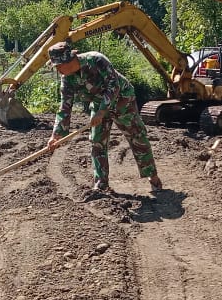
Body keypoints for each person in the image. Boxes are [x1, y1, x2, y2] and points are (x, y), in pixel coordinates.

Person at [45, 42, 163, 193]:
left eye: (58, 66)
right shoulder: (67, 79)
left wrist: (102, 112)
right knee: (97, 142)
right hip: (99, 104)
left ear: (68, 61)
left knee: (137, 137)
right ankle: (101, 183)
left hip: (122, 100)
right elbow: (64, 108)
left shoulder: (96, 60)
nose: (58, 70)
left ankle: (152, 176)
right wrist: (56, 135)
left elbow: (113, 86)